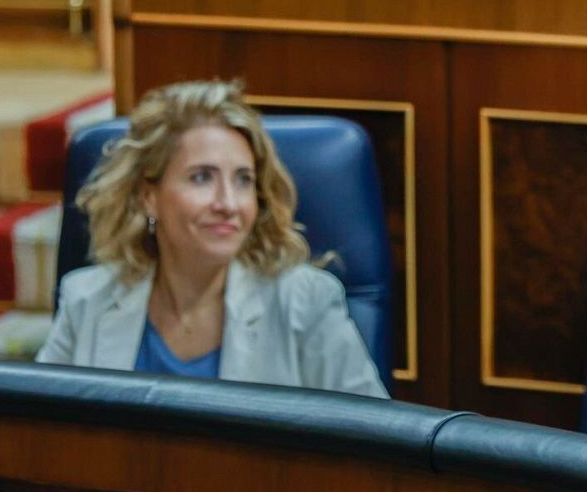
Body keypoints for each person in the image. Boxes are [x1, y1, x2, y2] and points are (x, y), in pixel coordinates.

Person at [37, 80, 389, 398]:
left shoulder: (306, 303)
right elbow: (39, 439)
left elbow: (375, 445)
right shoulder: (86, 302)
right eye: (202, 177)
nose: (228, 204)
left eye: (243, 180)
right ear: (149, 196)